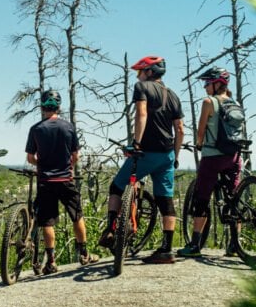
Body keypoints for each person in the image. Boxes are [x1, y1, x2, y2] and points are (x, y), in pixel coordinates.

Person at [98, 55, 185, 264]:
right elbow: (180, 129)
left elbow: (141, 114)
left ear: (149, 72)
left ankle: (111, 229)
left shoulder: (142, 88)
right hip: (167, 154)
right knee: (165, 199)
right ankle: (166, 249)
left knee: (117, 186)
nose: (138, 76)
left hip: (146, 152)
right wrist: (175, 156)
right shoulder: (172, 95)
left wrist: (136, 143)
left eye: (140, 72)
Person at [25, 89, 100, 272]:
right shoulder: (68, 127)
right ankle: (84, 254)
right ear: (59, 107)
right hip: (66, 179)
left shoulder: (36, 129)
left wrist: (41, 164)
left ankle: (51, 261)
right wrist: (70, 166)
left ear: (43, 107)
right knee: (77, 216)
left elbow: (30, 158)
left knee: (48, 221)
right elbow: (76, 155)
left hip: (46, 181)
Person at [177, 67, 242, 258]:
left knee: (202, 198)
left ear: (216, 84)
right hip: (234, 157)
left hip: (213, 157)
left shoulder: (208, 102)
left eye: (207, 83)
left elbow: (201, 130)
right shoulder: (235, 103)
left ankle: (195, 244)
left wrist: (198, 144)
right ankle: (234, 245)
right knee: (234, 199)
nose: (205, 87)